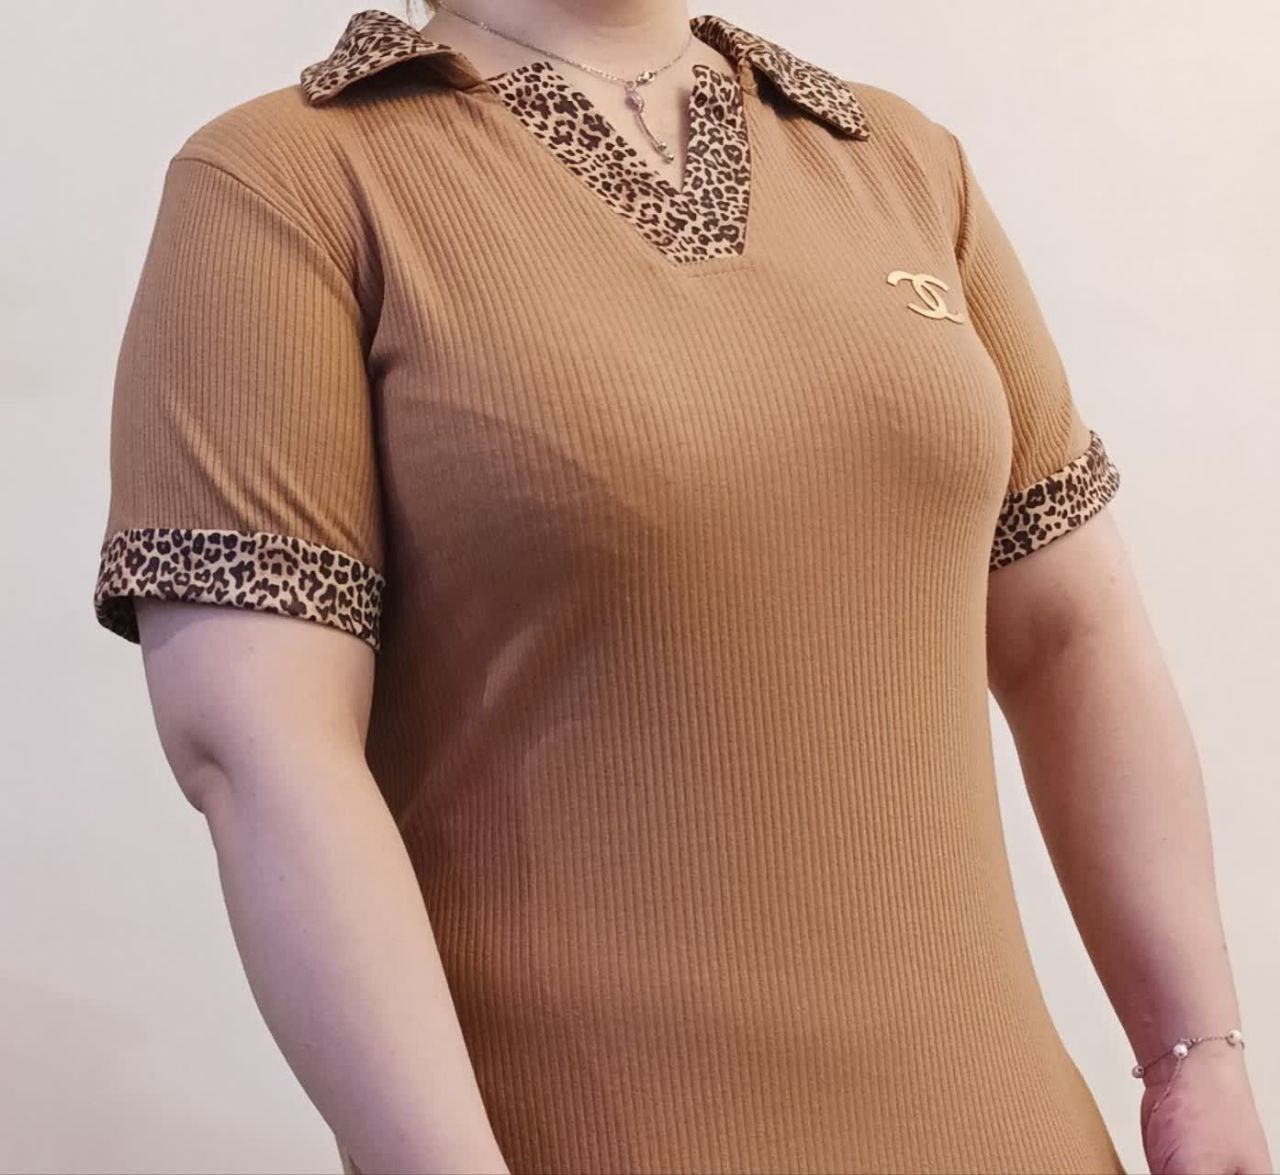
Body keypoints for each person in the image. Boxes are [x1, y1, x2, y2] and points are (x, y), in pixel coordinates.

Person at [92, 1, 1271, 1172]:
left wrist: (1196, 1058)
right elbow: (261, 749)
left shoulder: (902, 162)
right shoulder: (285, 183)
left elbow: (1071, 635)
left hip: (1012, 1134)